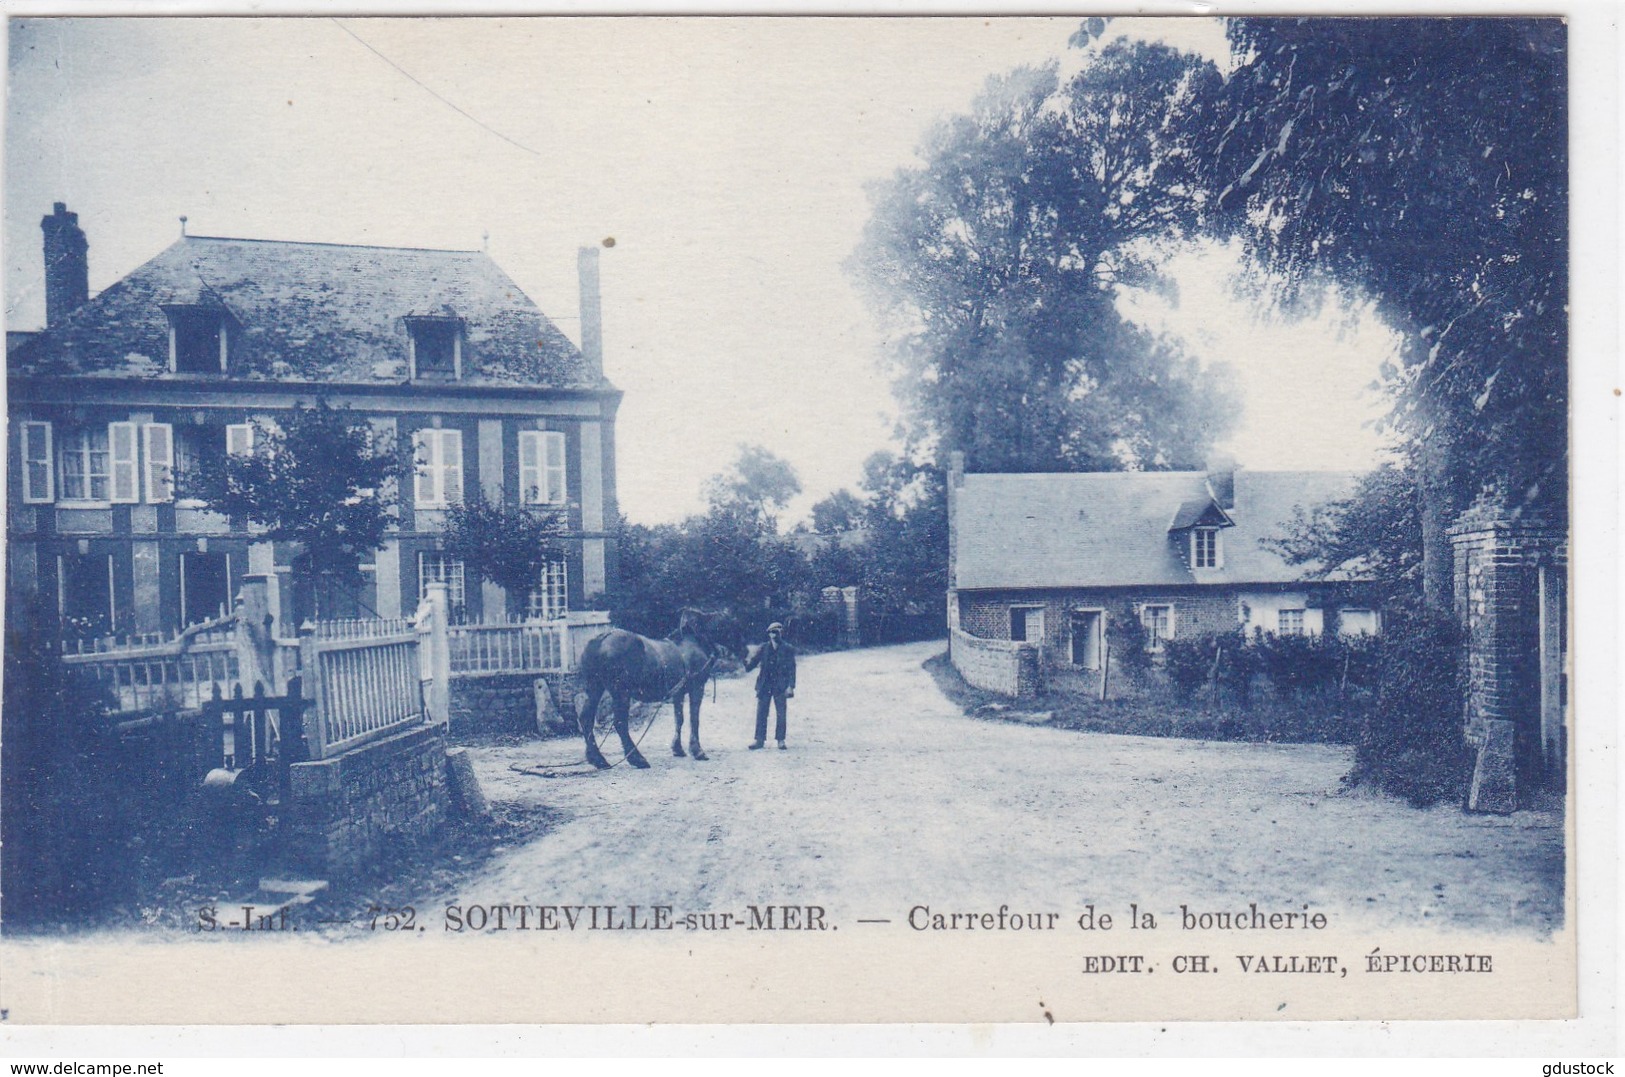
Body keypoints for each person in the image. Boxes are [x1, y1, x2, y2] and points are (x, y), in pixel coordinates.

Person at [744, 622, 797, 750]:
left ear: (781, 633)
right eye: (772, 632)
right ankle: (759, 740)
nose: (774, 634)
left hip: (780, 685)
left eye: (777, 632)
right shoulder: (763, 648)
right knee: (761, 712)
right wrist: (744, 660)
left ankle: (780, 740)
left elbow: (792, 669)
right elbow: (751, 664)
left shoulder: (788, 649)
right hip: (764, 685)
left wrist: (791, 686)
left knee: (781, 713)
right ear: (768, 634)